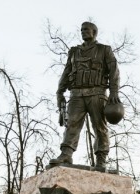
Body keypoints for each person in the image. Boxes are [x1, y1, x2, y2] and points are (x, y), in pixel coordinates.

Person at [50, 21, 120, 171]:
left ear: (94, 32)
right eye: (81, 30)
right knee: (72, 125)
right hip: (77, 94)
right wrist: (59, 91)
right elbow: (67, 71)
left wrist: (114, 92)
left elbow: (114, 71)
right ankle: (66, 154)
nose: (83, 32)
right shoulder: (74, 52)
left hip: (97, 93)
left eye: (86, 29)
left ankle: (101, 159)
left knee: (100, 128)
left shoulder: (104, 50)